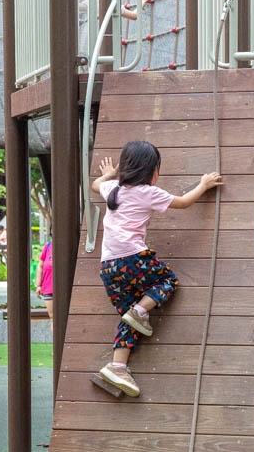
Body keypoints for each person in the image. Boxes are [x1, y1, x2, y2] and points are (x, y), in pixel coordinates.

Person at [91, 140, 222, 396]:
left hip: (107, 266)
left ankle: (118, 366)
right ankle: (141, 310)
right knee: (167, 282)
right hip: (132, 258)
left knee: (129, 315)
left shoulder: (112, 188)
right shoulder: (148, 192)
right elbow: (183, 202)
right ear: (151, 171)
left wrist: (108, 174)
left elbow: (96, 185)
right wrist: (203, 185)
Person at [36, 241, 54, 333]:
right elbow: (40, 266)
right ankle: (57, 345)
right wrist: (38, 285)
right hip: (48, 287)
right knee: (53, 317)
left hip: (63, 289)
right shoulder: (48, 246)